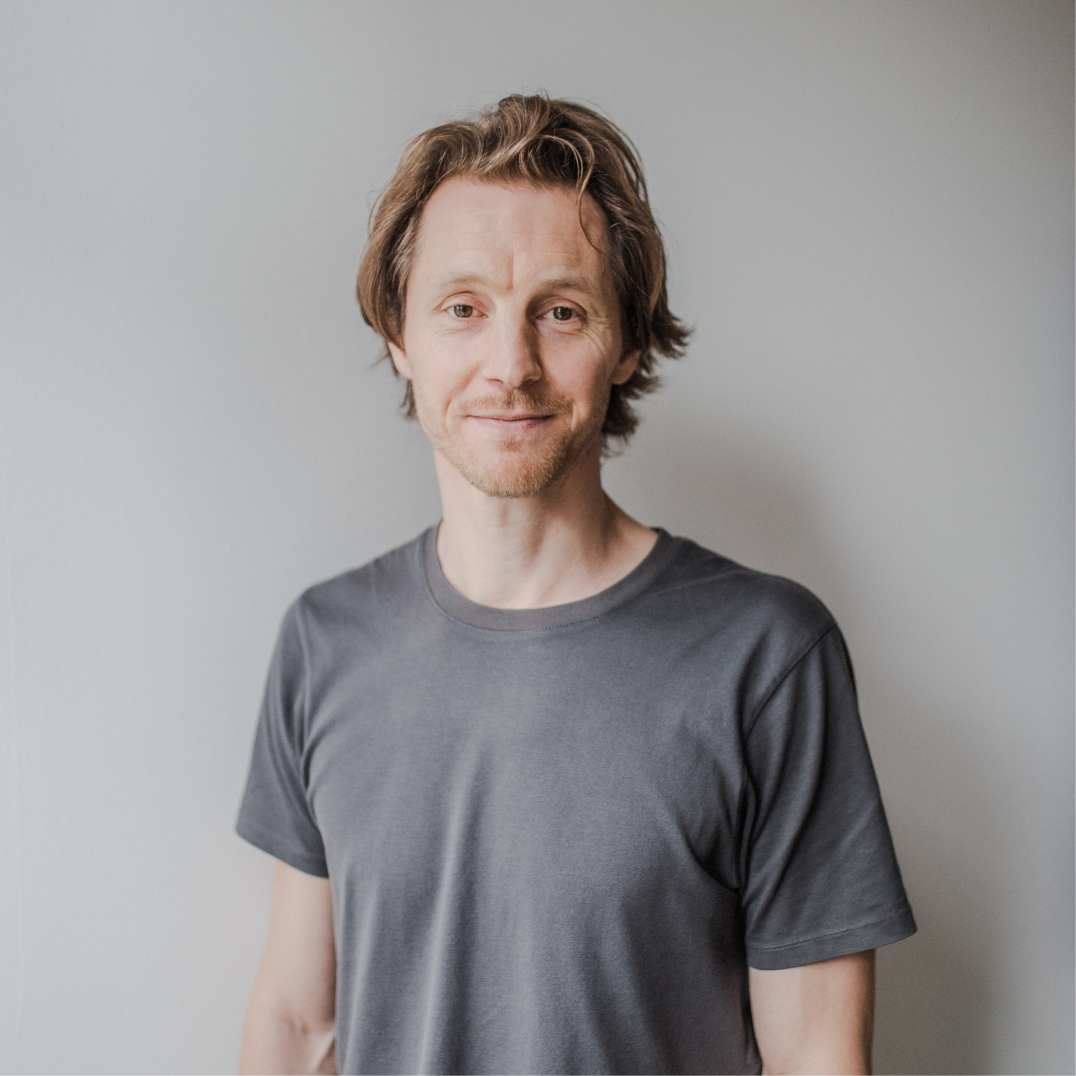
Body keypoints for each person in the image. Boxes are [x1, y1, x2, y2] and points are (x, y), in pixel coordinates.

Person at [236, 94, 915, 1076]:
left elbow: (817, 1054)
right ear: (400, 338)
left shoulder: (766, 656)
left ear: (627, 342)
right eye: (462, 308)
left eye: (559, 311)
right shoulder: (323, 641)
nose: (510, 365)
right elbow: (299, 1026)